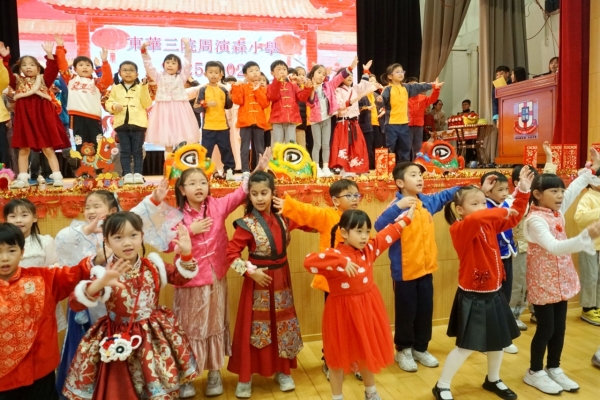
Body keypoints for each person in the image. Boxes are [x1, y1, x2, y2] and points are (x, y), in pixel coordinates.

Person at [54, 183, 182, 396]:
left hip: (151, 336)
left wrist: (186, 255)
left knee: (154, 383)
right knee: (120, 387)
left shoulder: (153, 265)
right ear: (107, 241)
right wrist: (99, 283)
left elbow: (180, 277)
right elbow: (76, 303)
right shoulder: (102, 271)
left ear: (141, 236)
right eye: (118, 238)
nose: (127, 243)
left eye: (133, 236)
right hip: (115, 335)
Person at [166, 151, 270, 398]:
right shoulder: (175, 215)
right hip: (189, 279)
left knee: (214, 324)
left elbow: (240, 193)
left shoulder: (216, 205)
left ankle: (214, 372)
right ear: (182, 190)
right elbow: (166, 245)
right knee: (189, 328)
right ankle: (186, 376)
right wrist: (190, 230)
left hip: (216, 276)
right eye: (192, 183)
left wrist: (258, 170)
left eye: (203, 182)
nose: (199, 187)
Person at [433, 166, 534, 400]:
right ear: (459, 210)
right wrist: (491, 200)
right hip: (474, 295)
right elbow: (481, 216)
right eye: (475, 203)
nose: (481, 207)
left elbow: (514, 216)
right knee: (466, 346)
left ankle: (493, 379)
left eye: (482, 203)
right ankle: (442, 385)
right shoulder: (460, 228)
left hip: (494, 292)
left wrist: (523, 192)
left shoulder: (488, 222)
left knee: (498, 341)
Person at [304, 207, 415, 400]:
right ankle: (337, 397)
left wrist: (406, 219)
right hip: (341, 313)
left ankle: (371, 392)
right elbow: (309, 262)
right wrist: (339, 261)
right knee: (337, 359)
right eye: (359, 231)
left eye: (367, 231)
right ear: (344, 232)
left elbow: (388, 235)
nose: (364, 236)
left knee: (365, 352)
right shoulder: (334, 255)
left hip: (366, 309)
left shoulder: (369, 250)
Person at [226, 171, 310, 398]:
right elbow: (230, 254)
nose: (259, 198)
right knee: (254, 327)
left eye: (264, 193)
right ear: (249, 197)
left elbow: (308, 222)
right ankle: (245, 377)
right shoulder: (246, 224)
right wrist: (251, 273)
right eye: (254, 194)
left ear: (273, 193)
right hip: (258, 281)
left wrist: (329, 219)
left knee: (283, 323)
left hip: (282, 278)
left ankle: (283, 371)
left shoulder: (284, 217)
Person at [374, 162, 460, 372]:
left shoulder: (426, 202)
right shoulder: (396, 205)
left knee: (425, 311)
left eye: (420, 175)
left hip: (426, 269)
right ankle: (403, 350)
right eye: (413, 175)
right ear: (400, 182)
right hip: (404, 272)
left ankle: (421, 348)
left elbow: (445, 195)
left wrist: (468, 187)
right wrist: (398, 207)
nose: (420, 178)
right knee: (406, 313)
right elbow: (378, 226)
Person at [523, 159, 600, 395]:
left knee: (559, 329)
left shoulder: (556, 212)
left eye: (561, 191)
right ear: (537, 194)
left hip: (562, 281)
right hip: (543, 283)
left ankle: (554, 367)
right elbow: (554, 247)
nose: (560, 196)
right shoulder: (535, 219)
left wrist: (591, 170)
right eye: (554, 191)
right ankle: (535, 371)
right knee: (545, 329)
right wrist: (585, 237)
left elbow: (575, 188)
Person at [274, 179, 364, 379]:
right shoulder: (327, 216)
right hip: (333, 285)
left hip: (355, 283)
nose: (354, 199)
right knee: (335, 325)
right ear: (335, 200)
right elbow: (308, 212)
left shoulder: (359, 219)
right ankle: (331, 362)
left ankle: (355, 360)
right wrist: (288, 205)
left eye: (356, 195)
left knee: (355, 324)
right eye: (349, 195)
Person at [0, 223, 98, 398]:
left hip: (40, 370)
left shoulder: (42, 278)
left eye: (11, 251)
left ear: (22, 252)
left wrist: (97, 260)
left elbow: (74, 275)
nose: (4, 258)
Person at [2, 41, 70, 188]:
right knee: (23, 148)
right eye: (25, 65)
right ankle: (22, 178)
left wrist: (50, 54)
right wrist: (5, 59)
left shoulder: (43, 80)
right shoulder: (17, 81)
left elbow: (52, 70)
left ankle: (57, 176)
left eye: (32, 64)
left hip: (42, 119)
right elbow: (7, 76)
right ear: (20, 68)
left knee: (48, 148)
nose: (28, 67)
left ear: (38, 68)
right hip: (25, 119)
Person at [510, 142, 558, 328]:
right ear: (517, 183)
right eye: (530, 180)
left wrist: (549, 158)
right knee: (520, 283)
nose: (535, 183)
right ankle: (513, 315)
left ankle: (536, 311)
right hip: (521, 247)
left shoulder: (538, 199)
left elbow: (547, 181)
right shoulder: (515, 201)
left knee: (538, 280)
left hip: (538, 248)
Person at [3, 198, 66, 332]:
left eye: (24, 215)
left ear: (35, 218)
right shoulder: (3, 245)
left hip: (39, 299)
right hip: (10, 301)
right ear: (5, 219)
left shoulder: (45, 242)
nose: (18, 220)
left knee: (42, 336)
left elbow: (54, 270)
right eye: (13, 216)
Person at [54, 35, 112, 161]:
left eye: (87, 65)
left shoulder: (96, 82)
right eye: (81, 65)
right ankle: (84, 170)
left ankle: (98, 170)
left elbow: (108, 80)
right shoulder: (71, 80)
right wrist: (60, 48)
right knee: (81, 146)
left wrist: (104, 63)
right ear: (75, 69)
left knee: (98, 146)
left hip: (94, 118)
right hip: (77, 118)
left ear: (92, 69)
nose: (85, 67)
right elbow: (62, 66)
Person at [480, 171, 519, 354]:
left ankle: (502, 337)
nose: (504, 193)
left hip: (506, 256)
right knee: (491, 301)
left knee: (505, 297)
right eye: (500, 190)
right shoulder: (483, 208)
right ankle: (487, 340)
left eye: (506, 189)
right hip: (490, 259)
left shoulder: (506, 203)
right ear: (487, 191)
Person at [141, 38, 199, 157]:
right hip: (164, 111)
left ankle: (179, 164)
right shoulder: (159, 76)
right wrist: (144, 52)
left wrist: (187, 47)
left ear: (179, 67)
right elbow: (149, 66)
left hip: (180, 110)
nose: (170, 65)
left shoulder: (181, 77)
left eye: (173, 63)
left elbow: (187, 64)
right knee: (167, 141)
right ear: (163, 65)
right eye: (167, 62)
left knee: (181, 140)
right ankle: (168, 165)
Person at [380, 63, 443, 162]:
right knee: (391, 146)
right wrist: (380, 100)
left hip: (407, 124)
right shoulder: (390, 89)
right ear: (390, 76)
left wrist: (434, 86)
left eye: (402, 71)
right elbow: (382, 100)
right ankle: (387, 166)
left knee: (408, 147)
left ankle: (406, 166)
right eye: (397, 72)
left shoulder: (409, 89)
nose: (401, 74)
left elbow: (421, 88)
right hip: (394, 124)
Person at [306, 58, 357, 177]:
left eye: (324, 74)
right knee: (317, 144)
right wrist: (312, 89)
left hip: (327, 118)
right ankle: (316, 167)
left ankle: (325, 167)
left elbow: (339, 77)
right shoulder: (308, 86)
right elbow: (310, 103)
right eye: (319, 72)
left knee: (325, 145)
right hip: (315, 120)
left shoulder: (328, 85)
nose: (321, 75)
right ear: (313, 74)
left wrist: (350, 67)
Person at [105, 61, 152, 185]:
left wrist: (145, 87)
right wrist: (114, 106)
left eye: (131, 70)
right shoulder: (116, 88)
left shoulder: (141, 87)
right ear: (120, 73)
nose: (128, 72)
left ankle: (138, 174)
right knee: (125, 151)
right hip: (121, 125)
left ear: (137, 74)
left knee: (137, 150)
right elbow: (108, 103)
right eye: (125, 70)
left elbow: (146, 103)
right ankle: (126, 174)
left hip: (138, 124)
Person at [330, 59, 378, 176]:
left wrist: (365, 71)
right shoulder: (337, 90)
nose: (350, 77)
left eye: (351, 75)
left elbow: (363, 85)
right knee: (343, 144)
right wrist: (352, 101)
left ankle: (356, 167)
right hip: (343, 123)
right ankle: (340, 167)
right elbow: (339, 105)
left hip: (354, 123)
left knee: (357, 145)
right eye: (347, 75)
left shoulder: (354, 89)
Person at [195, 61, 236, 181]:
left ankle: (229, 171)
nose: (213, 75)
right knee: (206, 152)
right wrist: (206, 104)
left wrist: (231, 97)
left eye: (216, 73)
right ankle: (206, 173)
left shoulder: (223, 89)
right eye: (211, 72)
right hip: (208, 127)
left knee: (226, 150)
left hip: (223, 126)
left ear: (221, 75)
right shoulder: (203, 89)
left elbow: (228, 106)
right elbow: (196, 106)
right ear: (205, 74)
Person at [231, 61, 270, 176]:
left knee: (259, 148)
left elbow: (265, 104)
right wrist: (236, 87)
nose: (255, 73)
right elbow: (237, 101)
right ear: (245, 75)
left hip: (259, 121)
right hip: (245, 122)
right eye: (251, 71)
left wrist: (257, 90)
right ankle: (245, 170)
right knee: (244, 147)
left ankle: (260, 169)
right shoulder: (242, 87)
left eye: (257, 70)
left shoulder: (262, 88)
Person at [574, 169, 600, 325]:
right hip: (589, 244)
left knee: (599, 278)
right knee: (590, 277)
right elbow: (579, 217)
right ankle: (588, 308)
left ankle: (597, 306)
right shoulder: (587, 197)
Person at [267, 60, 312, 146]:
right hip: (277, 120)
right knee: (278, 144)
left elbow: (302, 98)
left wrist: (307, 88)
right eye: (279, 69)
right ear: (272, 73)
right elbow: (273, 97)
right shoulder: (270, 86)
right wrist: (277, 82)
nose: (282, 71)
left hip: (291, 119)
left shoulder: (293, 85)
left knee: (291, 144)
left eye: (284, 69)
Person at [406, 77, 440, 159]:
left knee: (418, 147)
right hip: (406, 125)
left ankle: (417, 162)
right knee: (406, 147)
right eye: (412, 86)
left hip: (419, 126)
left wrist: (436, 89)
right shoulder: (404, 97)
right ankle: (406, 163)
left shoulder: (422, 98)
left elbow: (433, 99)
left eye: (416, 85)